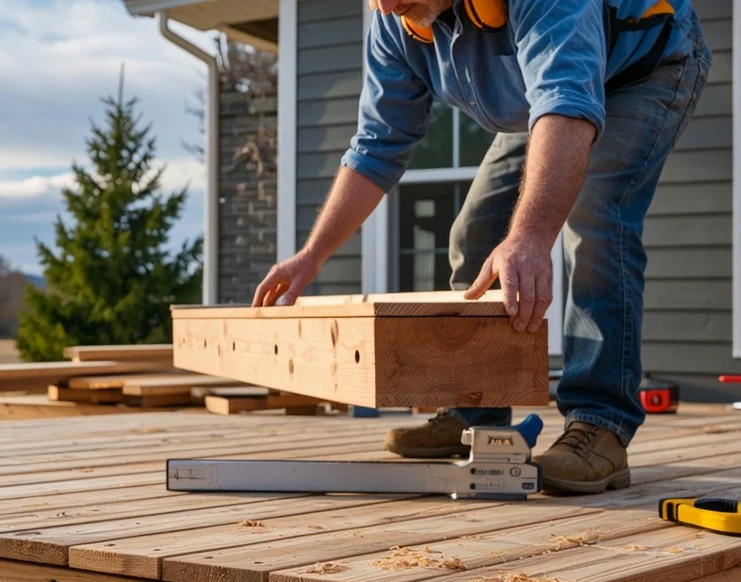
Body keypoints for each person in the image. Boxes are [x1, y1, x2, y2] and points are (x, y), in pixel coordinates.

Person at [251, 0, 710, 494]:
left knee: (597, 216)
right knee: (475, 232)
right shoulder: (395, 23)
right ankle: (477, 411)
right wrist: (312, 255)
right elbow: (376, 145)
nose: (384, 5)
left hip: (641, 70)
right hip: (547, 101)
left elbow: (566, 101)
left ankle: (600, 426)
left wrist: (531, 238)